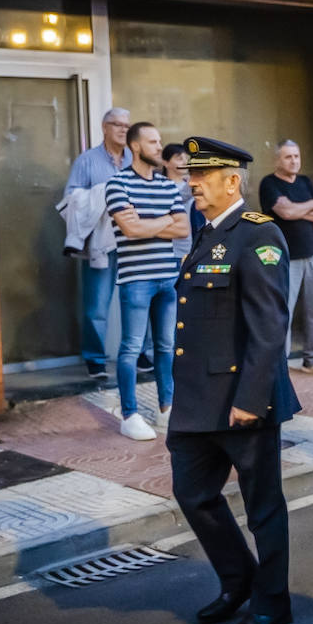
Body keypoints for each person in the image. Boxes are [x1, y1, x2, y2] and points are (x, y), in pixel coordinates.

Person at [167, 137, 299, 624]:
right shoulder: (206, 233)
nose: (192, 183)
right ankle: (238, 580)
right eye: (190, 175)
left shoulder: (257, 236)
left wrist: (251, 398)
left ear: (232, 181)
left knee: (263, 506)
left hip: (244, 401)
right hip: (197, 402)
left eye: (201, 176)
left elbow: (269, 329)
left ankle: (273, 604)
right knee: (193, 493)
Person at [105, 121, 188, 441]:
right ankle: (130, 414)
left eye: (159, 140)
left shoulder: (168, 186)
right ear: (135, 147)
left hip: (168, 278)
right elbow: (131, 230)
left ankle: (167, 409)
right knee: (131, 349)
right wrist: (164, 220)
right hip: (135, 279)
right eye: (153, 142)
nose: (159, 147)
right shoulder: (117, 184)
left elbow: (182, 230)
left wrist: (146, 223)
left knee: (167, 347)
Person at [62, 106, 132, 380]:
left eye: (127, 125)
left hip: (132, 240)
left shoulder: (135, 158)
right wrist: (101, 194)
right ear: (104, 128)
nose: (123, 129)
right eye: (117, 124)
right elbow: (71, 198)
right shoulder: (87, 161)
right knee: (97, 306)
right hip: (101, 243)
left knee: (134, 300)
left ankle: (139, 355)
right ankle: (96, 360)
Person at [259, 140, 313, 371]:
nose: (294, 161)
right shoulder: (269, 183)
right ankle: (281, 361)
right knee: (284, 310)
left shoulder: (305, 182)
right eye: (288, 157)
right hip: (284, 255)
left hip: (312, 253)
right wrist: (311, 204)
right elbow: (285, 213)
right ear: (277, 160)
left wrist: (297, 209)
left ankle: (312, 359)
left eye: (297, 156)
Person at [161, 143, 193, 261]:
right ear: (165, 162)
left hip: (192, 248)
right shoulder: (162, 186)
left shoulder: (189, 184)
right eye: (179, 158)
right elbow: (179, 197)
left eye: (186, 158)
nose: (185, 162)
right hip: (172, 250)